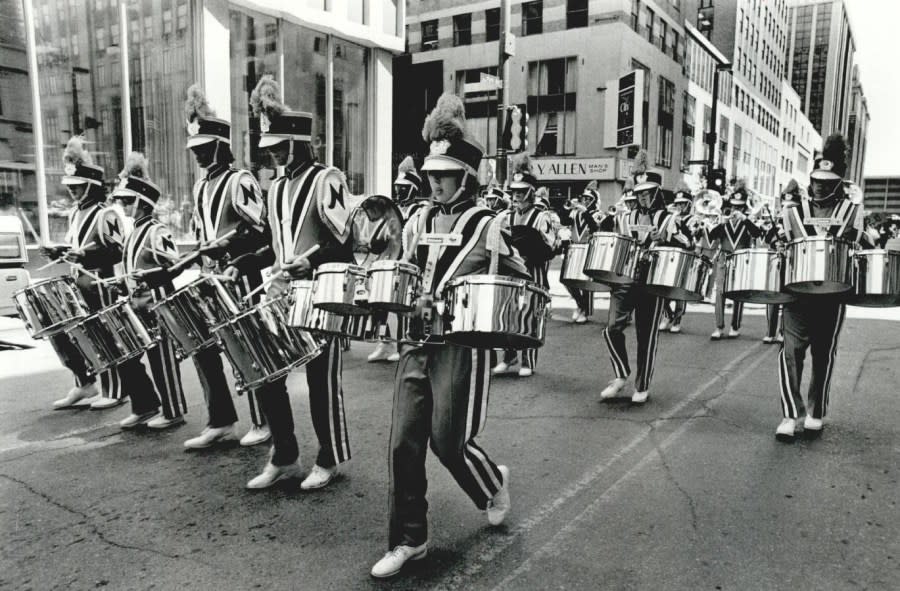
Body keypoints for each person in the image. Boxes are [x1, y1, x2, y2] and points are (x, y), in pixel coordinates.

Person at [371, 93, 530, 579]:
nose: (434, 181)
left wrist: (463, 295)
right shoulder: (417, 218)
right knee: (403, 443)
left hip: (462, 346)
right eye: (432, 173)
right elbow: (403, 267)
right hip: (417, 342)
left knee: (448, 441)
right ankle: (409, 539)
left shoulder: (490, 225)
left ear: (467, 176)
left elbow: (518, 280)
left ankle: (490, 485)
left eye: (444, 174)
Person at [247, 74, 357, 490]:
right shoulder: (273, 189)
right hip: (281, 293)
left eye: (278, 147)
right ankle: (284, 454)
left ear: (295, 143)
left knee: (320, 381)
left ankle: (329, 458)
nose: (273, 155)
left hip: (320, 292)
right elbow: (273, 244)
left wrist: (307, 264)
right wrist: (243, 261)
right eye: (269, 149)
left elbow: (343, 242)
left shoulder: (328, 178)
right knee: (268, 373)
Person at [180, 84, 272, 450]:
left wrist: (231, 245)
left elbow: (260, 229)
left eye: (204, 148)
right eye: (195, 150)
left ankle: (264, 419)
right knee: (203, 346)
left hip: (240, 274)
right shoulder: (201, 187)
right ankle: (220, 419)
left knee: (247, 348)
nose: (199, 156)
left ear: (219, 145)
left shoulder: (241, 180)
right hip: (209, 278)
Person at [775, 134, 872, 442]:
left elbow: (860, 243)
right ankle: (791, 414)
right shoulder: (793, 209)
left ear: (837, 183)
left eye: (827, 181)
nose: (819, 185)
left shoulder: (851, 210)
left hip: (831, 292)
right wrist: (778, 242)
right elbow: (780, 239)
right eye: (816, 179)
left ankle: (816, 411)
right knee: (790, 351)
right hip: (796, 290)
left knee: (823, 353)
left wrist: (864, 240)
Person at [42, 136, 129, 411]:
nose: (73, 192)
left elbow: (119, 252)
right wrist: (59, 252)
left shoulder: (108, 214)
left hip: (101, 284)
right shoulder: (74, 214)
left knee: (103, 335)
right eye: (71, 187)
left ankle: (116, 389)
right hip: (77, 283)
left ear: (92, 186)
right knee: (63, 332)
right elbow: (75, 247)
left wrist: (87, 255)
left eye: (78, 187)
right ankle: (84, 383)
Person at [599, 151, 693, 404]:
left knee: (646, 336)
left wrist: (667, 239)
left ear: (656, 193)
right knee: (611, 329)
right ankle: (621, 375)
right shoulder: (624, 217)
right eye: (639, 192)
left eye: (647, 192)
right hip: (626, 281)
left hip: (652, 283)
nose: (642, 197)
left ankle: (642, 385)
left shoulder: (669, 218)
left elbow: (688, 244)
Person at [110, 152, 188, 429]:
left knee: (162, 358)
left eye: (129, 201)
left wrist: (149, 276)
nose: (124, 205)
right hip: (134, 303)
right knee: (125, 353)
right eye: (123, 200)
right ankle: (145, 405)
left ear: (143, 202)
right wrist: (122, 282)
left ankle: (173, 410)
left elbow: (176, 266)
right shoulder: (132, 232)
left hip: (157, 302)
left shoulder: (157, 231)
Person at [491, 154, 555, 378]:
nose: (516, 196)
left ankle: (528, 360)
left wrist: (532, 247)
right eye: (514, 192)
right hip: (511, 272)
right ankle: (509, 358)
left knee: (530, 314)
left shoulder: (540, 217)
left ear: (530, 192)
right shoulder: (505, 216)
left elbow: (550, 247)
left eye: (520, 192)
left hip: (533, 272)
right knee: (506, 312)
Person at [350, 195, 404, 362]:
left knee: (393, 310)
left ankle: (395, 344)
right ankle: (385, 342)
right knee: (379, 310)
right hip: (379, 267)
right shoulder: (383, 222)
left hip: (390, 270)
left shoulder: (394, 222)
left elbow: (395, 249)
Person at [707, 180, 762, 340]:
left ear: (744, 207)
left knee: (738, 293)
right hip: (724, 259)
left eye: (739, 207)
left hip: (741, 260)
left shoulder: (748, 221)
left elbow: (757, 233)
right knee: (720, 292)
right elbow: (711, 236)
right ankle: (719, 326)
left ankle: (735, 326)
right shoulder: (724, 221)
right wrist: (721, 222)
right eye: (734, 206)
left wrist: (745, 219)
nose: (736, 210)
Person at [659, 185, 694, 334]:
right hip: (668, 255)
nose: (679, 206)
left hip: (684, 255)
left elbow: (692, 242)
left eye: (682, 203)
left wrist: (682, 227)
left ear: (688, 205)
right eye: (677, 203)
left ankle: (677, 319)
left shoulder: (694, 219)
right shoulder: (670, 217)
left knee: (680, 290)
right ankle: (667, 315)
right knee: (663, 288)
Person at [565, 181, 600, 324]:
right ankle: (580, 304)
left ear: (594, 201)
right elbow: (563, 220)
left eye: (588, 199)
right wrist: (566, 208)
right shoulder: (575, 213)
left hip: (588, 249)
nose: (585, 201)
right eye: (583, 198)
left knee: (585, 282)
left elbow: (594, 226)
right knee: (567, 280)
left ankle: (585, 310)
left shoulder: (597, 213)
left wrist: (584, 212)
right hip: (574, 248)